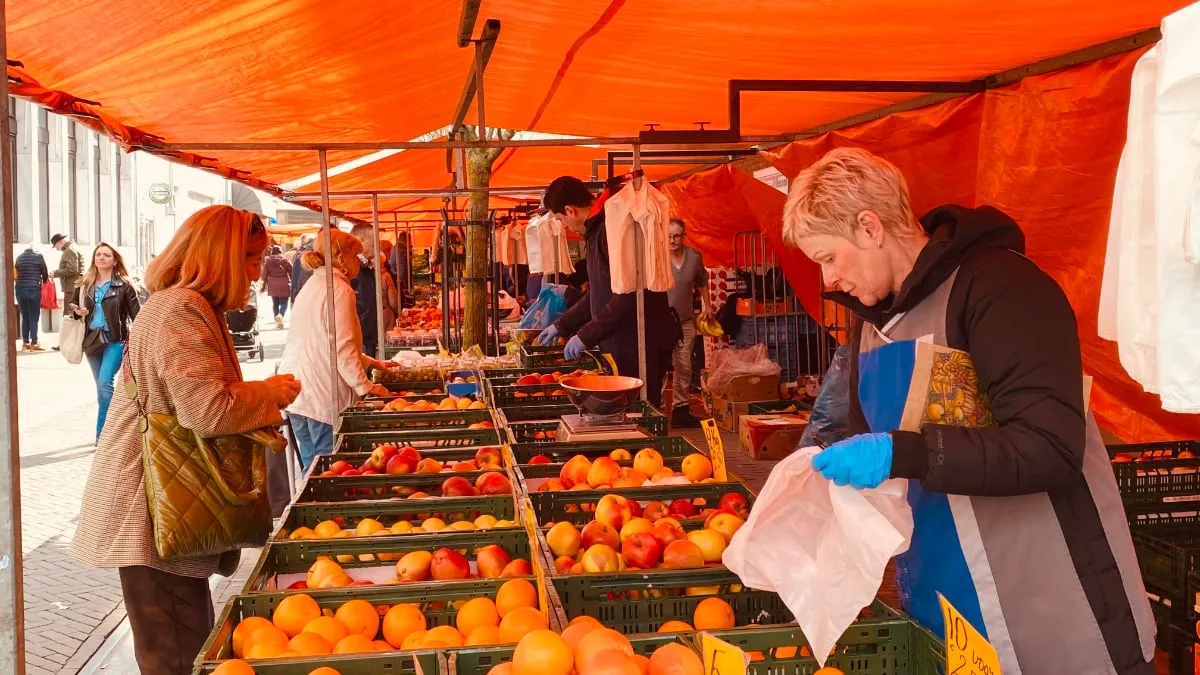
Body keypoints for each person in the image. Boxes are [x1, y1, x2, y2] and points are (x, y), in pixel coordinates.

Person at [781, 148, 1154, 674]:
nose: (827, 281)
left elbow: (1049, 448)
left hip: (1052, 602)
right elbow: (868, 449)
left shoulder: (1002, 288)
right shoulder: (870, 325)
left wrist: (900, 452)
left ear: (869, 228)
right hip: (946, 603)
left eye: (827, 257)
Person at [70, 205, 301, 675]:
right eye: (252, 260)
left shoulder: (186, 305)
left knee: (185, 636)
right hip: (151, 508)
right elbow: (206, 409)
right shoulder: (181, 310)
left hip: (167, 505)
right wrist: (266, 393)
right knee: (177, 651)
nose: (258, 273)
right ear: (222, 259)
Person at [536, 176, 680, 408]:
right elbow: (600, 292)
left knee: (641, 411)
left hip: (639, 342)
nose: (564, 226)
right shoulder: (597, 230)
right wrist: (562, 325)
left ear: (570, 210)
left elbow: (627, 295)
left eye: (561, 219)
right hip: (620, 343)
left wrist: (585, 336)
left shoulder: (610, 229)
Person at [279, 230, 391, 470]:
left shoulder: (313, 285)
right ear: (341, 259)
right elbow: (341, 348)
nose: (359, 264)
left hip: (298, 394)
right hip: (322, 397)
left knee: (313, 470)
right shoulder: (339, 290)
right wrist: (366, 388)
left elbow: (325, 341)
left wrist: (371, 363)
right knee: (330, 472)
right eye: (355, 257)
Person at [68, 244, 141, 440]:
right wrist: (76, 312)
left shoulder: (125, 285)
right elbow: (73, 309)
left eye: (106, 255)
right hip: (91, 341)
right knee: (102, 389)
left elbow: (138, 316)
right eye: (98, 254)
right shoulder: (84, 284)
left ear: (114, 260)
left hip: (115, 340)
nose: (101, 257)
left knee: (104, 383)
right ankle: (114, 430)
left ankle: (104, 435)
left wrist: (141, 341)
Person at [665, 218, 707, 427]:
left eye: (676, 236)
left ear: (684, 236)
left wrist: (707, 306)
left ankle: (680, 409)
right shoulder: (657, 258)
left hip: (685, 321)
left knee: (684, 365)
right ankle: (655, 409)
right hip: (662, 322)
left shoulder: (693, 257)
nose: (672, 240)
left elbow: (702, 282)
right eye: (668, 236)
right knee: (661, 367)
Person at [349, 223, 380, 358]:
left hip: (369, 331)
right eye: (374, 239)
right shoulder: (352, 265)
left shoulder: (366, 265)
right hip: (361, 333)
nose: (377, 242)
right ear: (361, 240)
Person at [15, 245, 49, 352]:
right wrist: (42, 281)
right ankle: (34, 342)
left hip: (20, 289)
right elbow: (45, 273)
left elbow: (15, 273)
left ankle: (25, 343)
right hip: (33, 289)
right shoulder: (38, 256)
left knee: (25, 316)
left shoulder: (19, 258)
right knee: (34, 317)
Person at [50, 233, 85, 312]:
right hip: (75, 285)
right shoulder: (73, 247)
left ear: (60, 242)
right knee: (75, 313)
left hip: (71, 287)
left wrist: (55, 273)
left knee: (69, 315)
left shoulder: (69, 250)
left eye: (56, 246)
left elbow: (72, 269)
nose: (57, 249)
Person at [261, 244, 292, 328]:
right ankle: (281, 316)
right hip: (284, 284)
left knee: (275, 304)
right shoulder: (285, 260)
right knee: (284, 303)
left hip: (272, 285)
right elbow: (291, 272)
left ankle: (277, 320)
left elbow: (264, 276)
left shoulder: (268, 262)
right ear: (281, 251)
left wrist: (262, 287)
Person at [290, 234, 315, 303]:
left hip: (303, 291)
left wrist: (295, 293)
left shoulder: (302, 253)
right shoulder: (305, 253)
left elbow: (296, 275)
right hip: (309, 291)